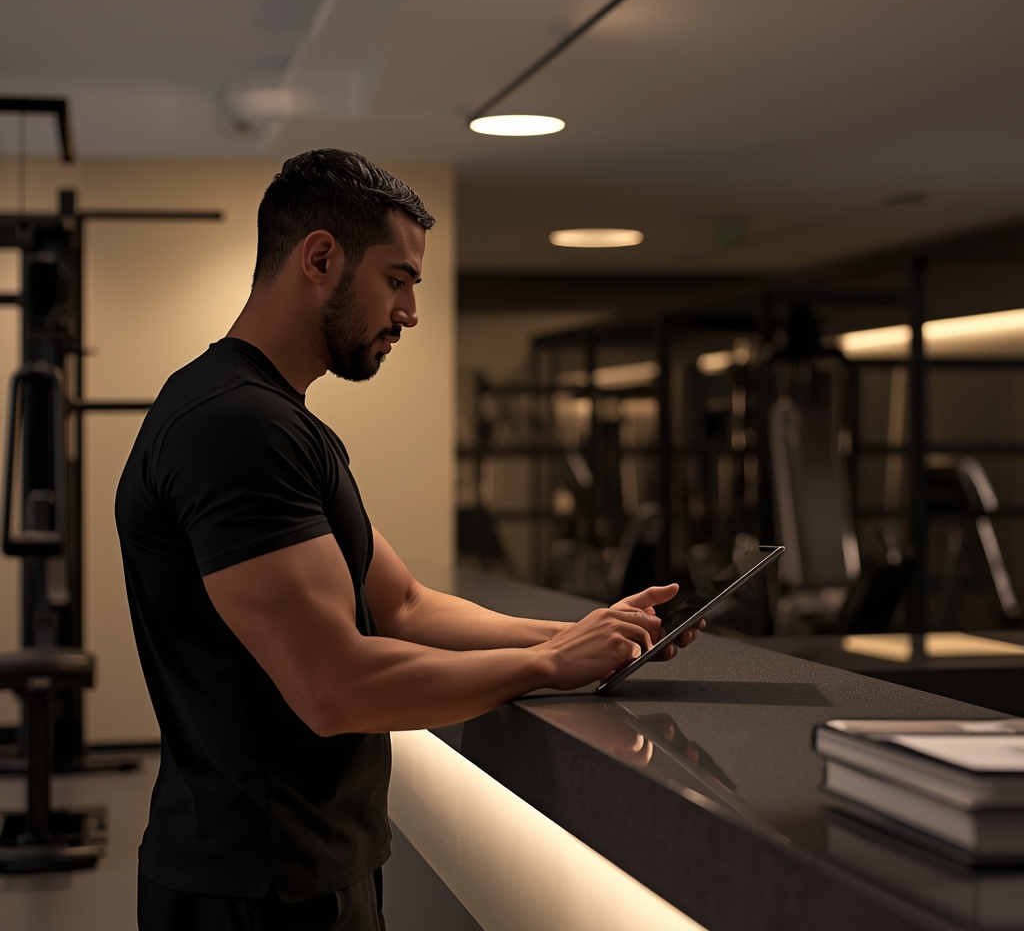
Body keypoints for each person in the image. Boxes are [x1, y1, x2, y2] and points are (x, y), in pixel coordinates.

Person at [116, 149, 701, 931]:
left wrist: (581, 634)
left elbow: (404, 605)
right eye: (397, 280)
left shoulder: (273, 421)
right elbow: (333, 686)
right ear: (320, 259)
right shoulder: (238, 428)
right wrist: (546, 665)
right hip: (257, 885)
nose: (411, 311)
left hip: (301, 865)